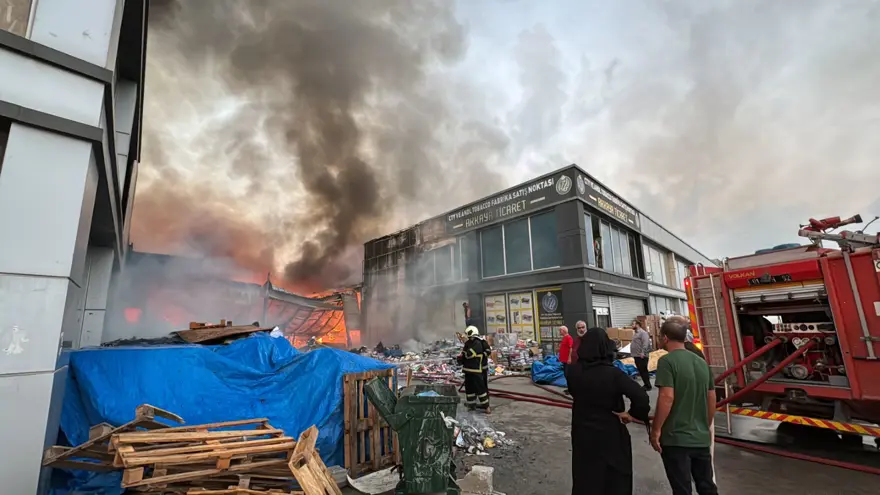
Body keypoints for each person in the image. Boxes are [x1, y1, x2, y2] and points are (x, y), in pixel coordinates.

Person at [568, 327, 651, 495]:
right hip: (610, 432)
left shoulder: (573, 372)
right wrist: (632, 414)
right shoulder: (613, 374)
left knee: (586, 476)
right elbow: (641, 397)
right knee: (614, 478)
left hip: (583, 432)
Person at [650, 319, 718, 495]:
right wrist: (705, 424)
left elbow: (667, 397)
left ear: (664, 338)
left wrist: (656, 430)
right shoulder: (701, 362)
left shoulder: (667, 361)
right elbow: (711, 398)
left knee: (682, 489)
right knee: (707, 486)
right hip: (700, 437)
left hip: (676, 439)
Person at [457, 326, 491, 412]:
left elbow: (469, 354)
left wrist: (464, 355)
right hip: (468, 370)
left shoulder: (478, 343)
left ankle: (486, 407)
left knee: (480, 388)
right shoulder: (468, 343)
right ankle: (471, 405)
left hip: (477, 370)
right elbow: (464, 354)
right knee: (469, 389)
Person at [631, 320, 652, 390]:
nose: (632, 325)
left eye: (633, 324)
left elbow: (645, 343)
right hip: (636, 355)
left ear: (637, 325)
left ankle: (648, 386)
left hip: (641, 356)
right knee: (641, 371)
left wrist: (643, 352)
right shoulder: (636, 333)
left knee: (643, 371)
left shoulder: (643, 333)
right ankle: (646, 384)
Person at [558, 326, 573, 393]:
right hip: (564, 360)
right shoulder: (564, 338)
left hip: (567, 360)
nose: (559, 332)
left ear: (564, 331)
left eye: (560, 330)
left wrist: (569, 358)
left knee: (568, 375)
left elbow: (571, 348)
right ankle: (569, 388)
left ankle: (571, 389)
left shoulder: (568, 338)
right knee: (565, 374)